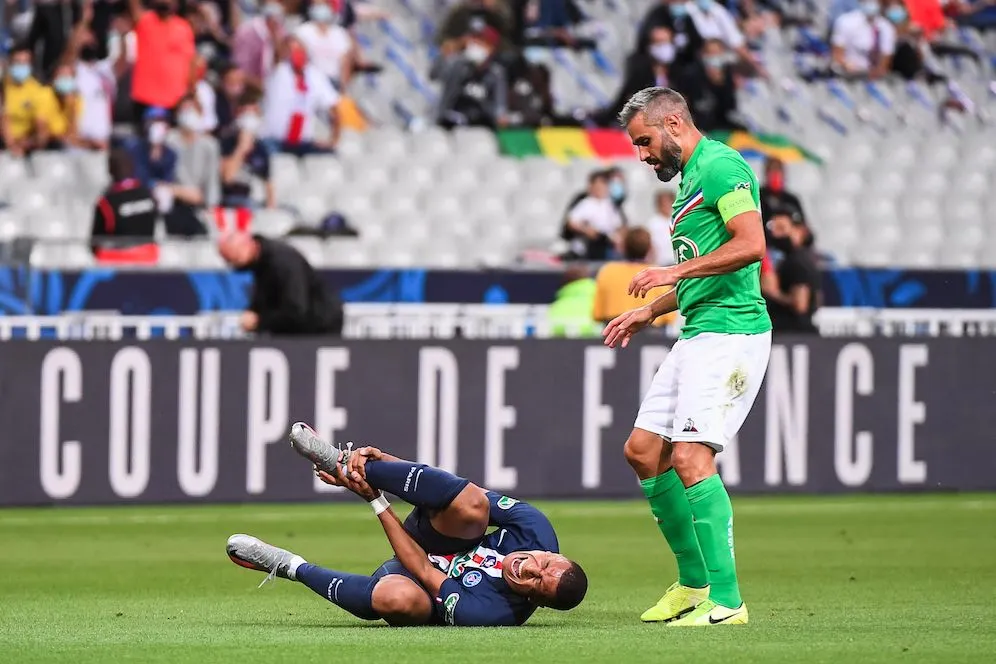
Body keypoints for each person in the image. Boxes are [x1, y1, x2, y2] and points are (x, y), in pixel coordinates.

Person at [604, 86, 771, 626]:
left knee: (691, 458)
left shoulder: (722, 167)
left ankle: (727, 601)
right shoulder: (690, 184)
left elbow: (751, 245)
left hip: (732, 334)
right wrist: (649, 310)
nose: (644, 155)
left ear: (674, 123)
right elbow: (708, 267)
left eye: (646, 141)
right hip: (698, 332)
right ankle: (693, 584)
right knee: (643, 449)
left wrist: (672, 272)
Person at [226, 423, 588, 626]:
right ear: (550, 552)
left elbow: (422, 570)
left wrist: (374, 499)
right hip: (440, 534)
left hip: (415, 575)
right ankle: (347, 461)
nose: (531, 570)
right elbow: (455, 493)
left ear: (534, 601)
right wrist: (382, 464)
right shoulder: (536, 528)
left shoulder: (493, 613)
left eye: (538, 584)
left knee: (392, 598)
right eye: (545, 564)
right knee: (474, 505)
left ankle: (288, 565)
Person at [217, 232, 343, 335]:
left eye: (235, 258)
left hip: (320, 326)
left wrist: (259, 321)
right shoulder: (259, 262)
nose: (233, 265)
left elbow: (295, 309)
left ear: (247, 246)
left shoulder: (282, 262)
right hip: (300, 326)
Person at [262, 35, 342, 156]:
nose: (294, 53)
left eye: (298, 49)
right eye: (290, 49)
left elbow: (334, 108)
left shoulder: (316, 76)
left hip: (302, 142)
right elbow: (276, 57)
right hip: (274, 140)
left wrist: (333, 139)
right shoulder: (279, 71)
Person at [128, 0, 196, 126]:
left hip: (175, 99)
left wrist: (191, 90)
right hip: (145, 96)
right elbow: (134, 6)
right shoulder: (145, 21)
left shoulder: (184, 27)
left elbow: (191, 61)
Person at [594, 227, 678, 329]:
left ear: (623, 247)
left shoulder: (607, 271)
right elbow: (669, 318)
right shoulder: (657, 274)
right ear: (649, 248)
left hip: (614, 330)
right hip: (653, 333)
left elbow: (597, 314)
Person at [431, 25, 508, 129]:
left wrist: (499, 116)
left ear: (491, 49)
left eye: (482, 43)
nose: (476, 45)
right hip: (450, 124)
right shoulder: (457, 64)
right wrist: (445, 55)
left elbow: (500, 108)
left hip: (479, 127)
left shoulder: (495, 74)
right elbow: (434, 75)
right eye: (474, 41)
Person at [91, 147, 159, 263]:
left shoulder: (106, 202)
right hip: (149, 258)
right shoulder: (149, 194)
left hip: (117, 261)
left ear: (110, 170)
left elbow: (94, 242)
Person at [765, 209, 821, 333]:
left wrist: (773, 293)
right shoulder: (803, 258)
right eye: (773, 228)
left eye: (781, 228)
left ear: (799, 231)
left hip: (793, 332)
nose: (775, 234)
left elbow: (800, 305)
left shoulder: (798, 261)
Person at [670, 39, 744, 133]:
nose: (714, 57)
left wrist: (720, 85)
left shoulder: (727, 75)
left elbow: (729, 107)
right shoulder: (691, 75)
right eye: (710, 53)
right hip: (699, 124)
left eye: (717, 53)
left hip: (721, 123)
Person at [219, 92, 275, 210]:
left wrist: (271, 208)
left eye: (252, 113)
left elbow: (269, 183)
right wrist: (241, 149)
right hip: (229, 200)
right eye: (245, 112)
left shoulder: (261, 148)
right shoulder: (226, 142)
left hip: (253, 200)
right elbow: (227, 178)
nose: (248, 118)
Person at [1, 45, 60, 156]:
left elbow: (41, 129)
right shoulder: (2, 86)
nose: (21, 66)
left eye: (25, 62)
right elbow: (3, 119)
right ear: (9, 63)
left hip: (29, 146)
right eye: (18, 62)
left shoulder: (40, 91)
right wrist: (11, 145)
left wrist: (25, 144)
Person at [562, 170, 624, 261]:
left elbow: (618, 225)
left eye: (603, 185)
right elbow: (571, 222)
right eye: (598, 186)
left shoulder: (609, 204)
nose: (601, 188)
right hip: (588, 247)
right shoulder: (586, 203)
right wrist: (586, 230)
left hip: (606, 245)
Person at [296, 0, 355, 89]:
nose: (320, 8)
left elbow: (345, 64)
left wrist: (343, 88)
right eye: (317, 5)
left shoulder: (340, 34)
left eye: (323, 4)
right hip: (310, 82)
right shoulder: (302, 32)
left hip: (333, 82)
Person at [831, 0, 896, 79]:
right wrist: (846, 65)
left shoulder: (886, 27)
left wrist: (876, 72)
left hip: (871, 75)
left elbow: (885, 59)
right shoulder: (846, 21)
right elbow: (837, 54)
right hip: (847, 73)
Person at [233, 1, 287, 89]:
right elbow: (241, 71)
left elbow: (281, 59)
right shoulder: (248, 33)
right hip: (250, 89)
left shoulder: (280, 31)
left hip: (271, 86)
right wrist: (262, 86)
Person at [758, 157, 806, 225]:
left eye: (778, 170)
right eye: (772, 171)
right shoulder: (758, 197)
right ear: (766, 173)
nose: (776, 175)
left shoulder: (792, 200)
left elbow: (804, 229)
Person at [645, 190, 677, 266]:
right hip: (661, 264)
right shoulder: (652, 224)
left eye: (669, 202)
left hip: (676, 263)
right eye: (664, 203)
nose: (666, 205)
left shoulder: (677, 221)